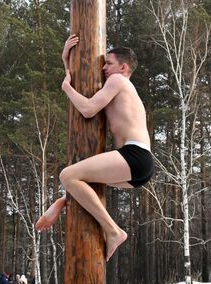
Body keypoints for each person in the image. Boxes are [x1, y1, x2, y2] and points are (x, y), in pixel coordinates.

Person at [35, 35, 155, 261]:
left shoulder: (119, 81)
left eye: (108, 63)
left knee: (67, 174)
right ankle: (63, 202)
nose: (104, 68)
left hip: (134, 155)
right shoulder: (125, 88)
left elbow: (88, 109)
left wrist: (67, 88)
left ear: (123, 66)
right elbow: (85, 78)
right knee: (80, 181)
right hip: (140, 165)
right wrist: (65, 59)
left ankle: (114, 231)